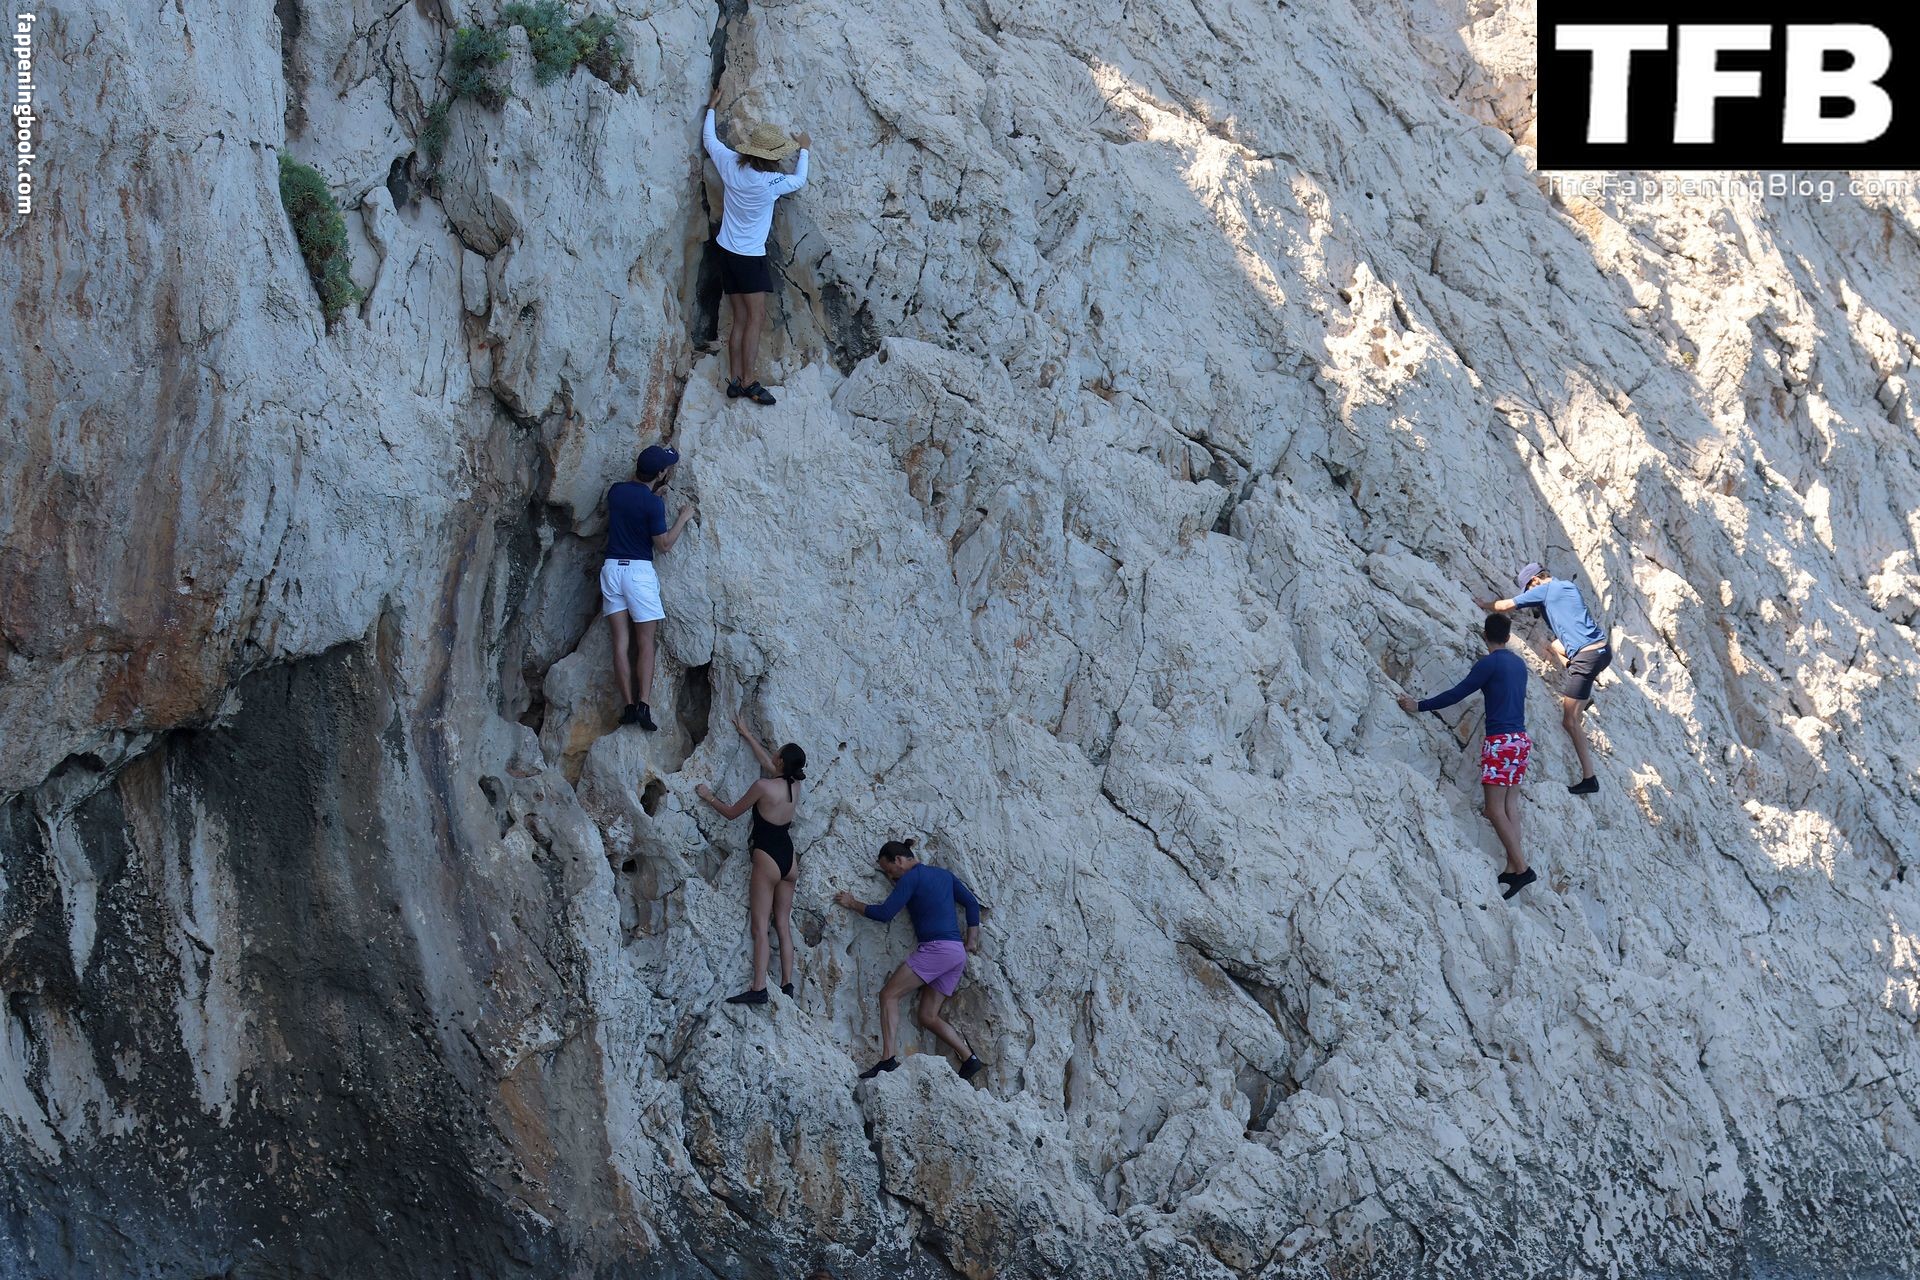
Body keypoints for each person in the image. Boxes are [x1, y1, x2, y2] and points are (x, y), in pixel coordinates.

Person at [1398, 614, 1537, 899]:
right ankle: (1513, 866)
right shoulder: (1519, 664)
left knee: (1494, 809)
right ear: (1508, 637)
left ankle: (1522, 869)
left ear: (1485, 635)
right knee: (1510, 805)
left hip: (1500, 742)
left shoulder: (1489, 663)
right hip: (1520, 741)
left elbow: (1457, 693)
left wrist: (1419, 705)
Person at [833, 840, 984, 1080]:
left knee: (888, 995)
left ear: (899, 860)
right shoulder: (944, 875)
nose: (890, 876)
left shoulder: (911, 878)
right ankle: (969, 1059)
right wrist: (971, 940)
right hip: (956, 952)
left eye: (889, 870)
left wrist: (853, 903)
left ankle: (887, 1059)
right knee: (927, 1016)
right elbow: (971, 903)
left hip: (936, 949)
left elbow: (885, 913)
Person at [701, 83, 811, 407]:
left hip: (726, 251)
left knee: (739, 317)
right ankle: (749, 381)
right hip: (750, 257)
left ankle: (735, 379)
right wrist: (804, 149)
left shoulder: (730, 164)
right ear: (772, 157)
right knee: (756, 317)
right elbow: (799, 180)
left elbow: (710, 141)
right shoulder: (770, 183)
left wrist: (711, 107)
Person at [695, 716, 807, 1005]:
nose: (773, 755)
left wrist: (708, 796)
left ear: (780, 760)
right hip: (789, 859)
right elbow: (772, 767)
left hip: (767, 856)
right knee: (782, 924)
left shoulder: (762, 786)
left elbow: (732, 813)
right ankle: (787, 984)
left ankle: (758, 988)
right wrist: (746, 733)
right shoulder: (795, 786)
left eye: (776, 753)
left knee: (759, 926)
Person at [1476, 562, 1612, 795]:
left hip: (1586, 658)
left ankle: (1590, 778)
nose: (1530, 594)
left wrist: (1483, 604)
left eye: (1529, 589)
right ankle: (1581, 695)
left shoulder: (1544, 589)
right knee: (1555, 645)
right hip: (1602, 651)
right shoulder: (1567, 586)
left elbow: (1506, 606)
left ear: (1535, 580)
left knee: (1569, 721)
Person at [600, 446, 694, 731]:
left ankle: (628, 706)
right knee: (645, 642)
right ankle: (644, 705)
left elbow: (633, 505)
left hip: (612, 569)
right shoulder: (653, 505)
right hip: (638, 573)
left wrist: (653, 495)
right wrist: (683, 517)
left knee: (620, 642)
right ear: (661, 473)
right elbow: (663, 545)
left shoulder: (616, 492)